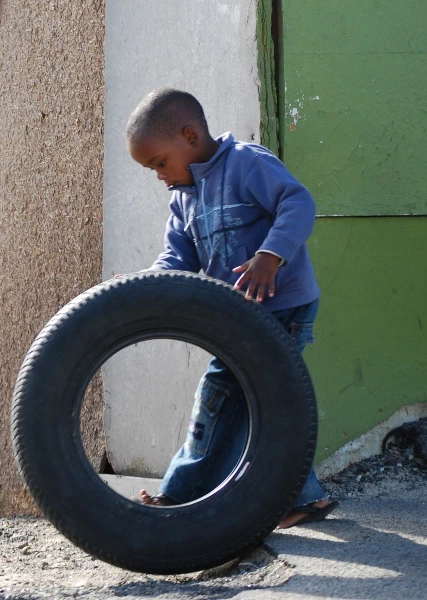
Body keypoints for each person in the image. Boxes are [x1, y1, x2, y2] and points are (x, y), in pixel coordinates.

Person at [124, 88, 338, 529]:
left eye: (160, 162)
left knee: (225, 400)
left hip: (284, 308)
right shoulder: (183, 199)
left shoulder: (246, 163)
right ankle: (305, 497)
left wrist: (270, 255)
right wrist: (144, 288)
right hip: (237, 322)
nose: (160, 176)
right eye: (152, 170)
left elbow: (297, 202)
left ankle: (180, 494)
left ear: (190, 135)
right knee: (264, 405)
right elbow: (176, 261)